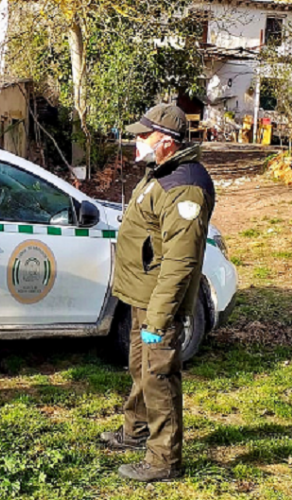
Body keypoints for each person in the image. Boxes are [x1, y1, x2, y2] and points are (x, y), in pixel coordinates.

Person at [100, 104, 215, 481]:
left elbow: (180, 262)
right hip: (139, 294)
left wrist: (161, 317)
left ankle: (164, 459)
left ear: (166, 142)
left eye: (142, 136)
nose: (136, 141)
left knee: (159, 376)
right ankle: (136, 430)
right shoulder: (160, 172)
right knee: (141, 368)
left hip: (157, 303)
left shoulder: (185, 188)